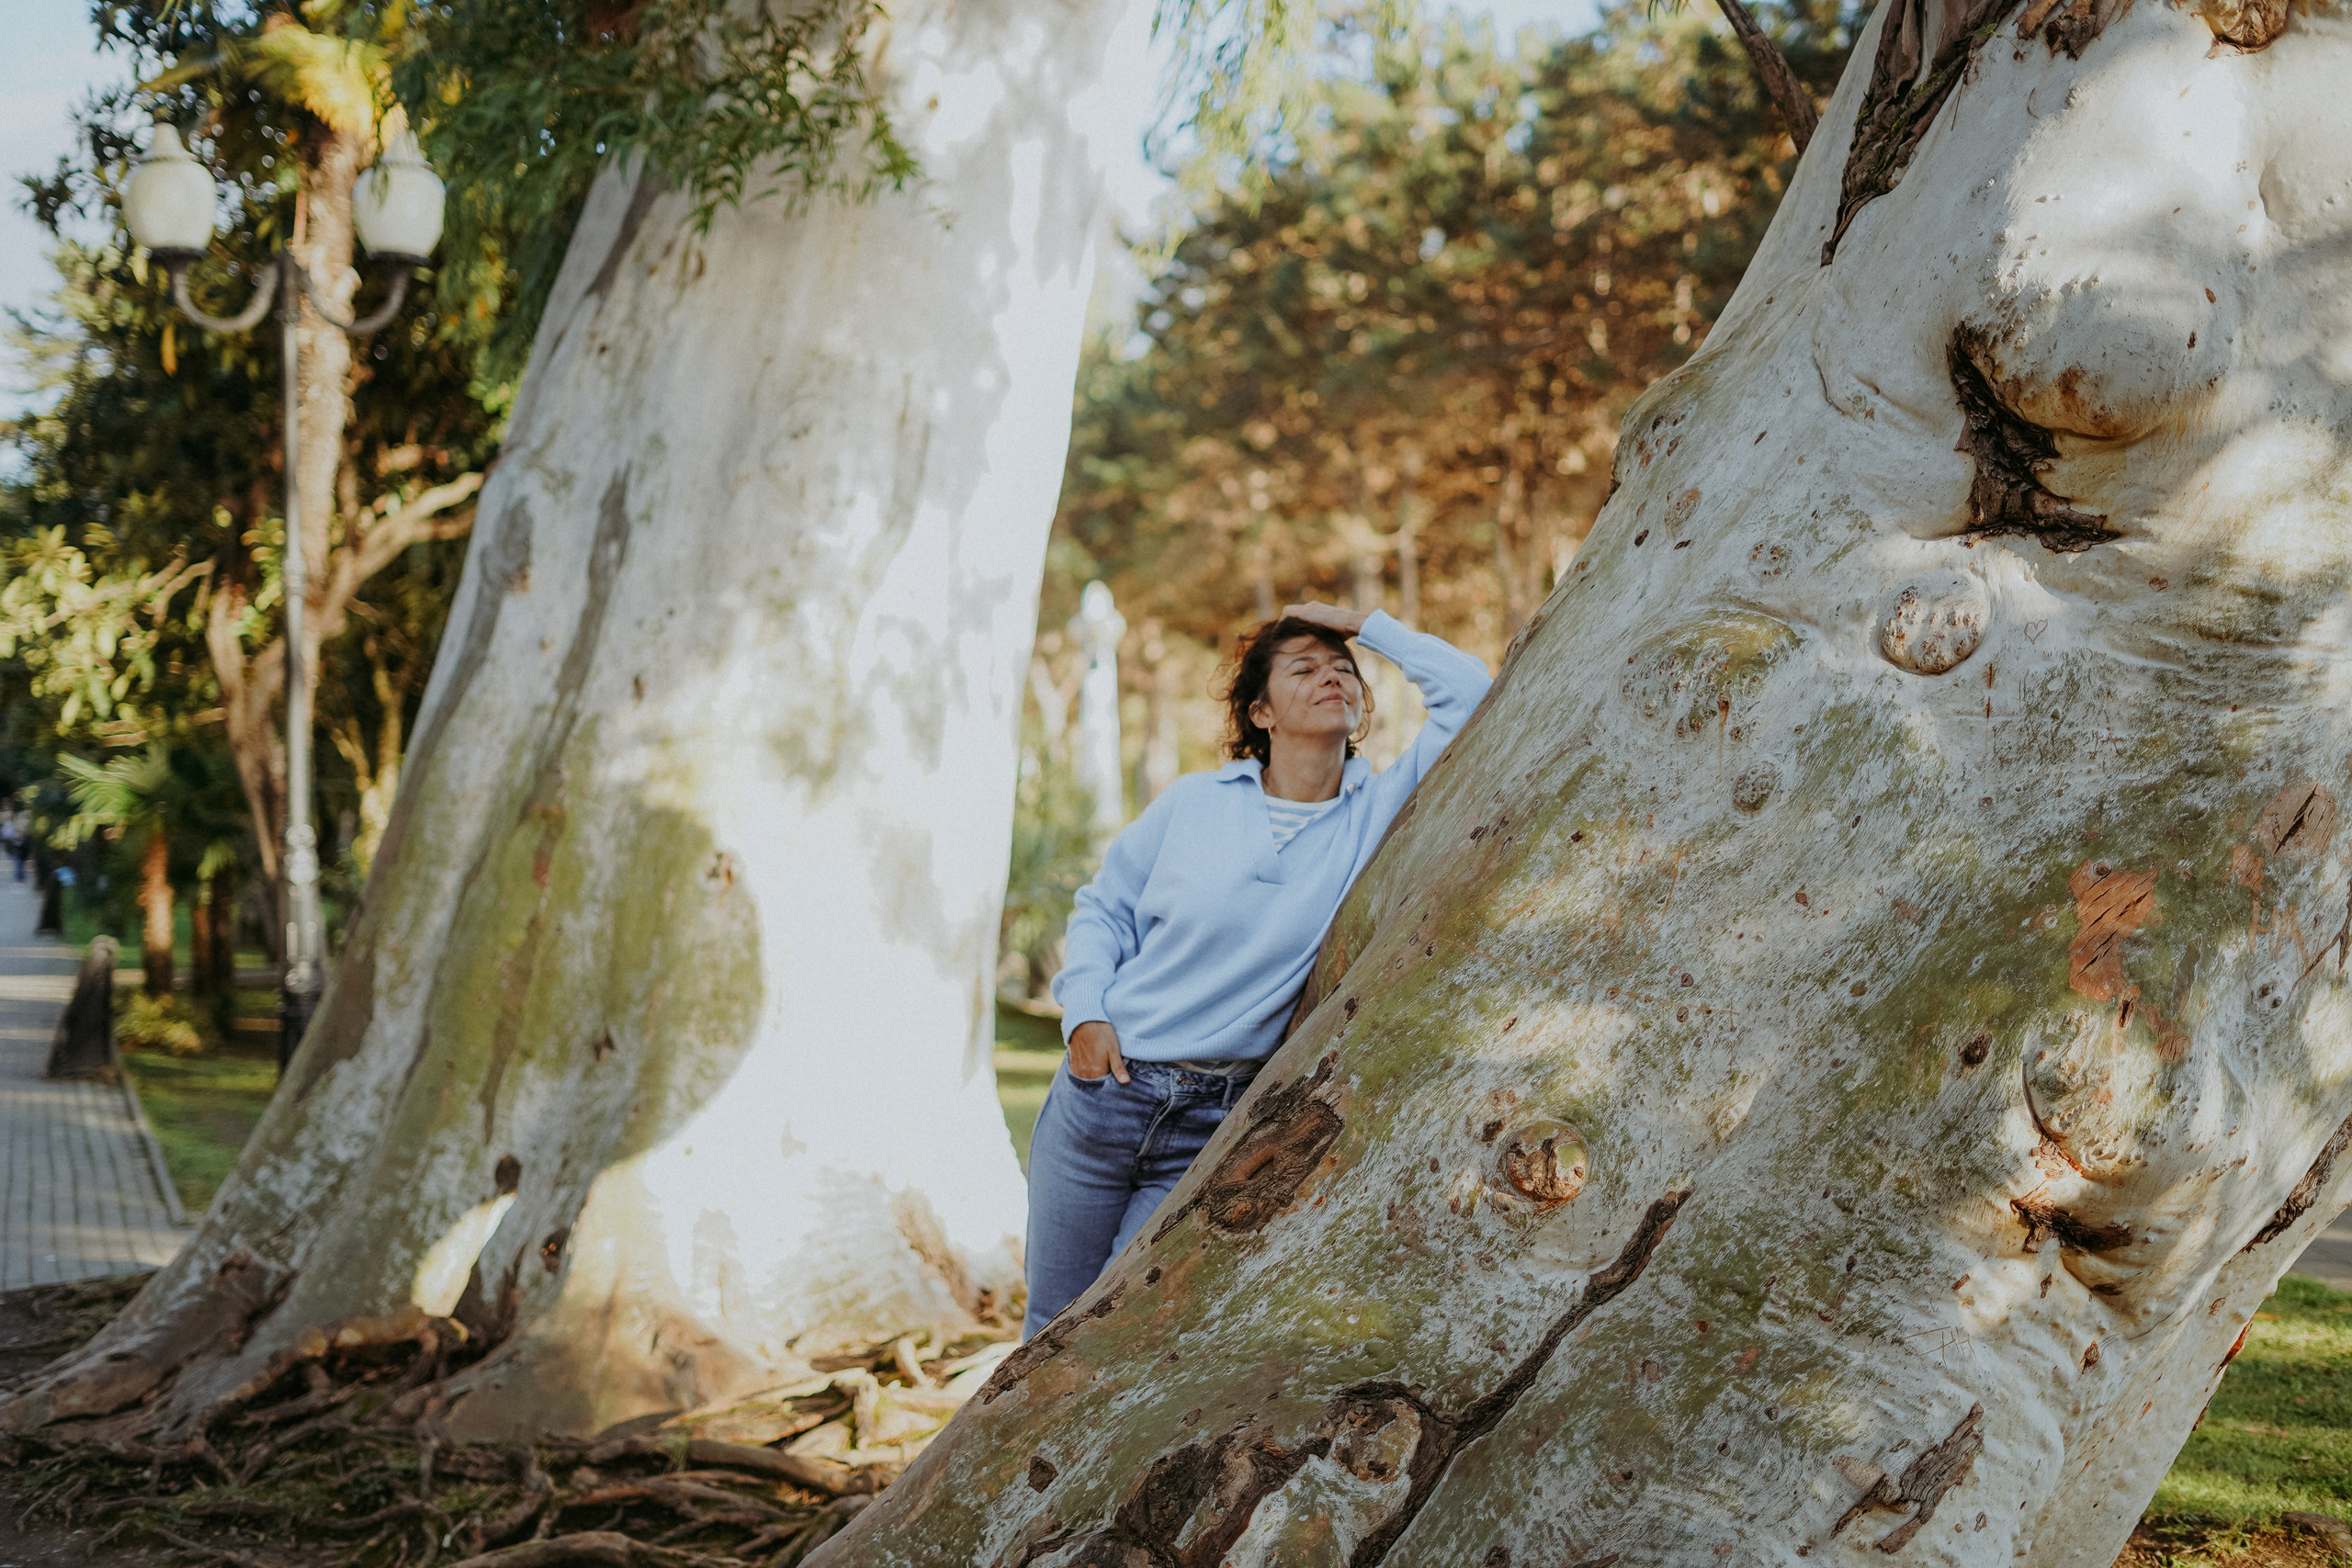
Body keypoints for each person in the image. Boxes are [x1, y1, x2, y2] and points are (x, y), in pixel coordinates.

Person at [1025, 600, 1491, 1337]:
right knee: (1051, 1320)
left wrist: (1359, 621)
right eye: (1303, 668)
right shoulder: (1193, 802)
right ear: (1261, 712)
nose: (1331, 676)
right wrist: (1084, 1014)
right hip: (1106, 1093)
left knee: (1118, 1327)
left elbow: (1467, 688)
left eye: (1344, 669)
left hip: (1214, 1119)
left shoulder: (1377, 807)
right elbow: (1103, 907)